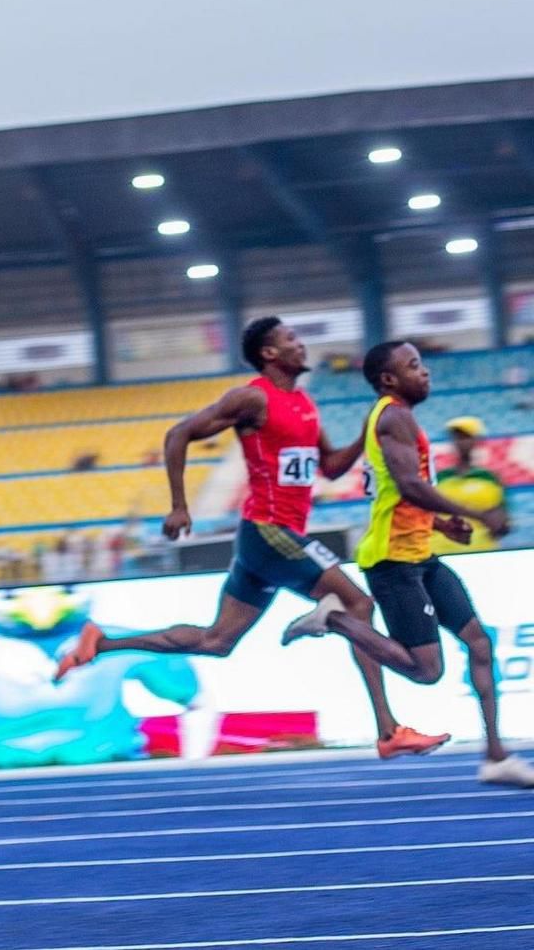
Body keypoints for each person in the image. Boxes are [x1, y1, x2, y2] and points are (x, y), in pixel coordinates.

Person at [55, 316, 446, 759]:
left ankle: (100, 643)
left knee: (217, 642)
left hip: (269, 540)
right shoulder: (252, 398)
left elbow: (332, 467)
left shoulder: (304, 405)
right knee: (357, 604)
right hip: (268, 530)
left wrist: (365, 432)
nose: (302, 345)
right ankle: (389, 729)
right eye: (291, 339)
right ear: (269, 353)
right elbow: (178, 433)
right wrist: (179, 505)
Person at [346, 341, 534, 787]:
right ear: (390, 380)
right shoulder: (393, 417)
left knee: (479, 643)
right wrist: (477, 514)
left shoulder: (399, 418)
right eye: (414, 365)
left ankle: (495, 756)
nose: (425, 372)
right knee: (427, 671)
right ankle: (335, 618)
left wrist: (443, 526)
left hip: (420, 555)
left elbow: (400, 493)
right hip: (392, 562)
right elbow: (409, 486)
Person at [429, 416, 510, 556]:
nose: (461, 442)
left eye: (466, 437)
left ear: (477, 441)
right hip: (441, 553)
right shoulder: (439, 478)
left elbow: (502, 522)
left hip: (482, 551)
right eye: (457, 437)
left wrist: (499, 524)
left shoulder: (490, 479)